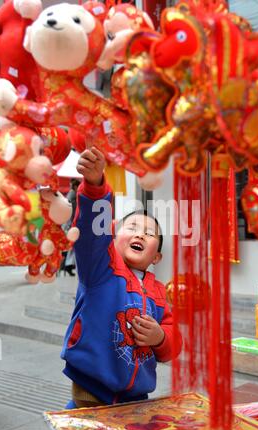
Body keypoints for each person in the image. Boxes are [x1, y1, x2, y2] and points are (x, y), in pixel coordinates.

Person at [60, 147, 182, 409]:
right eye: (132, 228)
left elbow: (173, 344)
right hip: (90, 390)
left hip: (136, 397)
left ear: (156, 257)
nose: (140, 235)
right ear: (113, 239)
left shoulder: (159, 293)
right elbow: (93, 233)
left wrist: (160, 337)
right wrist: (95, 187)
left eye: (149, 234)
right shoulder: (101, 269)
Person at [60, 178, 81, 276]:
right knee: (72, 246)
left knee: (72, 246)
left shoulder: (71, 195)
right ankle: (67, 265)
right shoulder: (73, 196)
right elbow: (72, 213)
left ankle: (67, 265)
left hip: (68, 225)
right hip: (70, 225)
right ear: (76, 186)